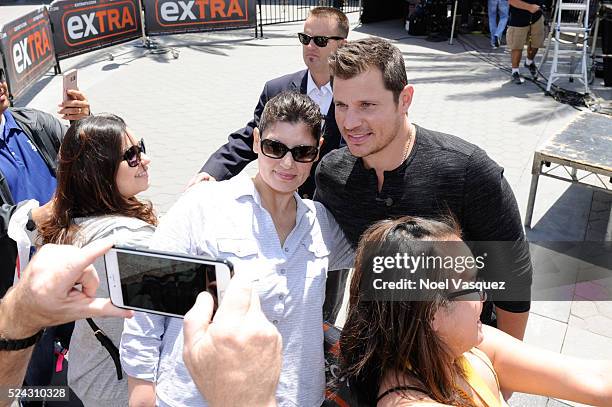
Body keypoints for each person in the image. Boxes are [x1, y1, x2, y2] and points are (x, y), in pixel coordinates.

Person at [120, 91, 352, 407]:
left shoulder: (320, 223)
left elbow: (388, 252)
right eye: (274, 148)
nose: (287, 163)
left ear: (317, 152)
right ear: (256, 142)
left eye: (302, 152)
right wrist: (142, 395)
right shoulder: (201, 205)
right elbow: (145, 308)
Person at [314, 37, 532, 340]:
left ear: (404, 99)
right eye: (341, 105)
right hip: (378, 349)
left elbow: (513, 280)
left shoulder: (469, 172)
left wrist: (500, 378)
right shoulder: (331, 175)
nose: (349, 122)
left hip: (460, 351)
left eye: (367, 105)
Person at [338, 216, 612, 407]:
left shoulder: (466, 350)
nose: (483, 296)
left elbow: (596, 380)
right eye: (469, 284)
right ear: (432, 312)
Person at [0, 242, 282, 407]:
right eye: (131, 154)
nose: (143, 159)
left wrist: (21, 319)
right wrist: (247, 398)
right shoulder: (138, 235)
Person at [36, 114, 157, 407]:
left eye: (140, 147)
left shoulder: (78, 220)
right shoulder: (125, 240)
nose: (144, 159)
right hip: (120, 388)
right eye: (131, 155)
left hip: (91, 367)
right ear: (99, 171)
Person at [190, 6, 349, 199]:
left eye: (320, 41)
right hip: (281, 205)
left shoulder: (357, 96)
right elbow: (250, 138)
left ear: (342, 44)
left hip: (336, 207)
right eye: (305, 39)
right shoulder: (276, 89)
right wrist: (212, 172)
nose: (310, 46)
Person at [0, 66, 91, 401]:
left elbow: (86, 163)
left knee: (79, 358)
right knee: (31, 380)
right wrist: (30, 218)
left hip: (71, 271)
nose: (0, 85)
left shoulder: (34, 124)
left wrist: (81, 123)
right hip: (23, 289)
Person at [506, 0, 544, 83]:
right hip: (518, 19)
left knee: (536, 44)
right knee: (516, 46)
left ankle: (529, 62)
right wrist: (529, 7)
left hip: (537, 18)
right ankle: (515, 71)